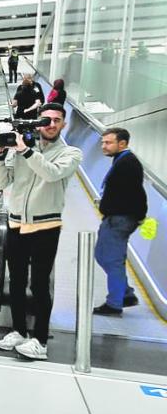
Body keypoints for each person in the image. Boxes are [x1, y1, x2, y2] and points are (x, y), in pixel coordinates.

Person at [0, 103, 83, 360]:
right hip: (16, 223)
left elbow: (52, 174)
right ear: (39, 122)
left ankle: (40, 340)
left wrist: (27, 151)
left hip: (46, 225)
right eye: (46, 120)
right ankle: (18, 331)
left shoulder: (71, 153)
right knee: (16, 283)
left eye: (56, 120)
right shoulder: (23, 150)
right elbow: (1, 183)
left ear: (63, 124)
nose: (51, 124)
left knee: (39, 285)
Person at [93, 127, 148, 316]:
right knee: (105, 256)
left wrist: (127, 215)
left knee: (110, 259)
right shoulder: (123, 160)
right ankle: (125, 293)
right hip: (120, 217)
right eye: (103, 142)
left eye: (108, 143)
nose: (103, 146)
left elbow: (133, 193)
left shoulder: (127, 163)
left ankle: (115, 303)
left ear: (122, 143)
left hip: (120, 219)